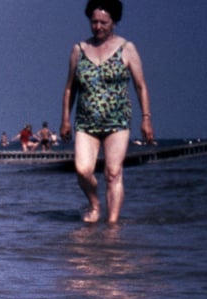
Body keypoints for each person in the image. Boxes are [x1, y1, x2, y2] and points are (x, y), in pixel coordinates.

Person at [61, 0, 153, 224]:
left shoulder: (127, 48)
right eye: (94, 22)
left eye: (104, 22)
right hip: (85, 122)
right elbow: (70, 87)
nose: (98, 27)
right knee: (82, 170)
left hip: (118, 121)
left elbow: (140, 85)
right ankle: (95, 203)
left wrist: (146, 119)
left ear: (114, 22)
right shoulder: (79, 50)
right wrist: (65, 119)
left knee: (113, 172)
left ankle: (112, 227)